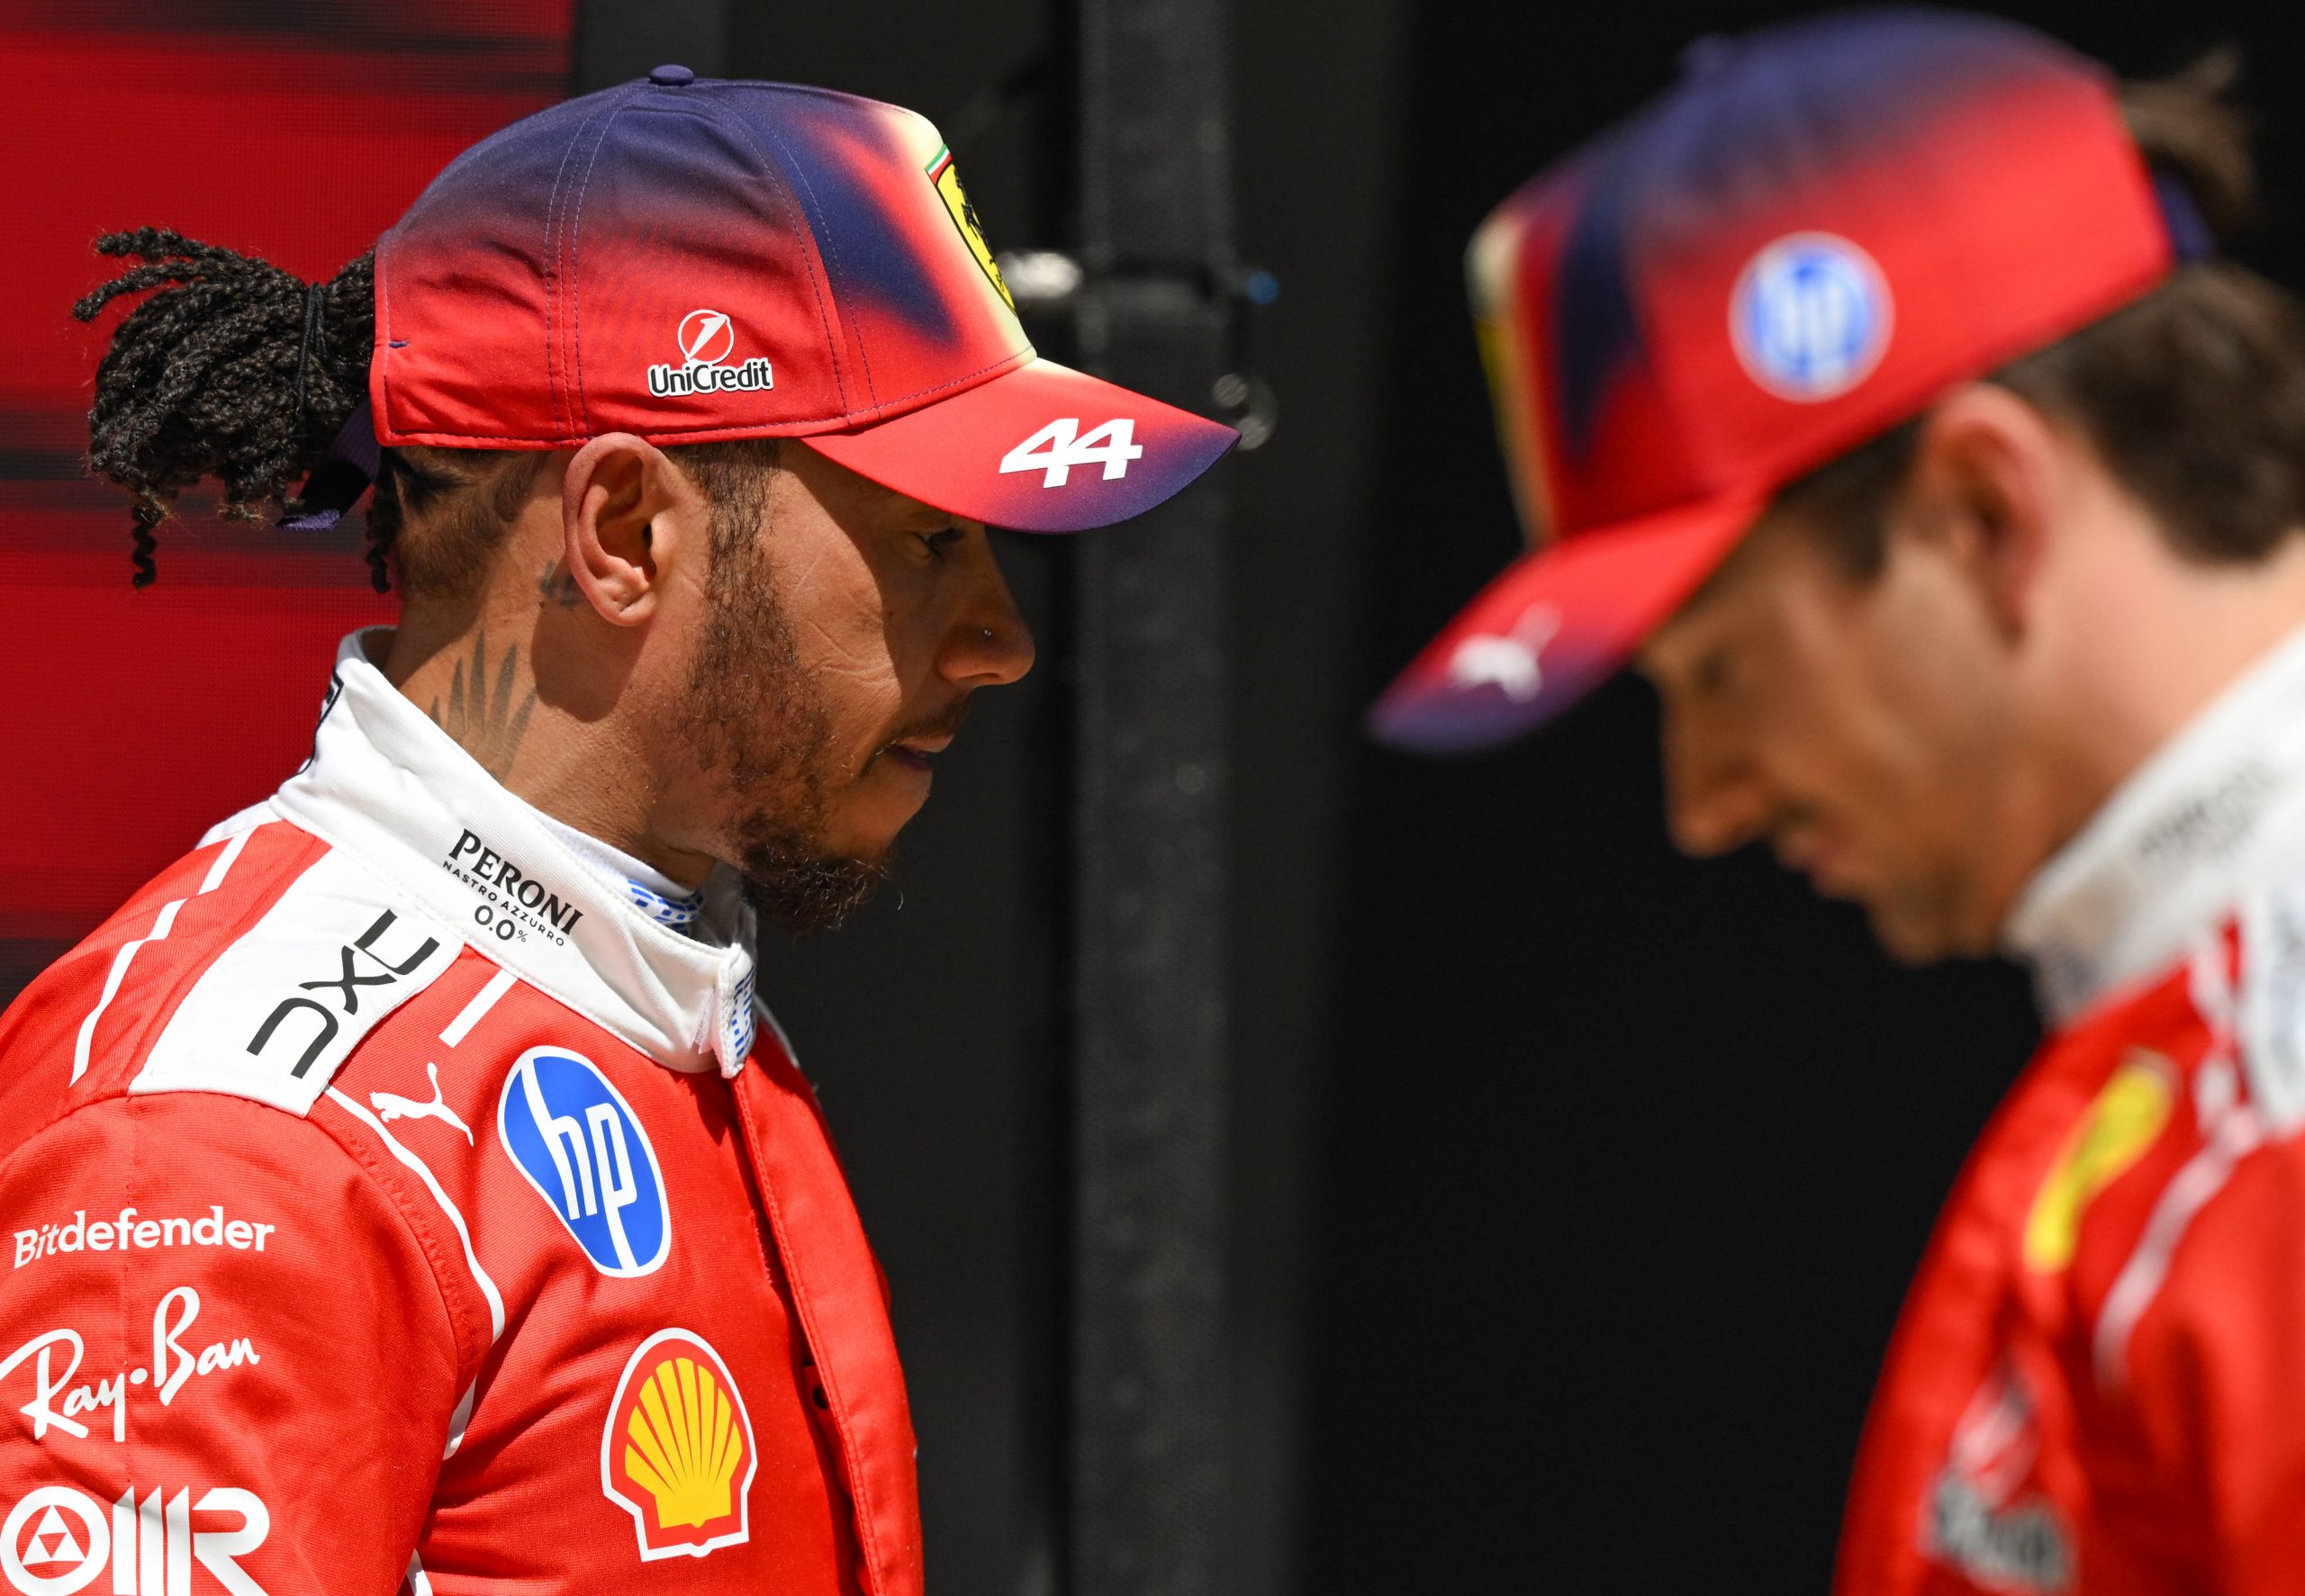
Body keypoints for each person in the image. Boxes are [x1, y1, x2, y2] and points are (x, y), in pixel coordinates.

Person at [0, 67, 1234, 1596]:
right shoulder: (230, 1145)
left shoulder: (647, 991)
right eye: (927, 537)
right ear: (625, 533)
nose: (999, 638)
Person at [1370, 10, 2305, 1593]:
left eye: (1721, 674)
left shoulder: (2275, 1077)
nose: (1705, 805)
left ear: (1982, 510)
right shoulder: (2200, 1010)